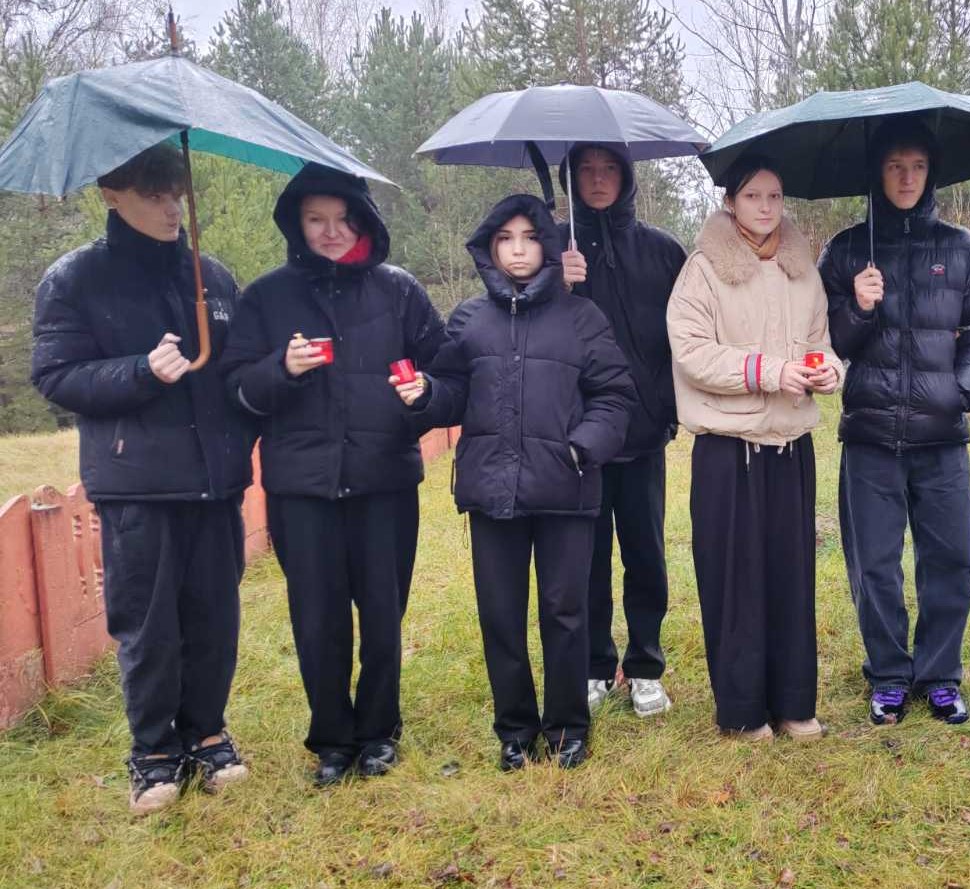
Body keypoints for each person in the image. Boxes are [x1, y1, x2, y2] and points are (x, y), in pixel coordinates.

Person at [31, 144, 256, 813]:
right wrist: (139, 370)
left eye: (176, 194)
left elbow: (238, 369)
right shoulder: (75, 279)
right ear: (111, 194)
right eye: (154, 196)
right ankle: (154, 752)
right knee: (149, 624)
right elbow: (56, 375)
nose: (170, 209)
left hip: (215, 480)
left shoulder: (211, 274)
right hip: (137, 484)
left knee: (214, 615)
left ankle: (208, 735)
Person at [220, 163, 447, 786]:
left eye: (343, 218)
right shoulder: (266, 297)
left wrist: (426, 394)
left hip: (384, 481)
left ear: (364, 220)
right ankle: (332, 741)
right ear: (296, 223)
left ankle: (378, 733)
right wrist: (281, 369)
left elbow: (448, 371)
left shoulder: (399, 291)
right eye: (315, 219)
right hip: (302, 488)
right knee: (317, 618)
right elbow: (235, 389)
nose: (330, 231)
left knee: (382, 613)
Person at [407, 194, 634, 770]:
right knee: (500, 614)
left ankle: (567, 728)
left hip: (565, 488)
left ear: (548, 245)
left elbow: (614, 396)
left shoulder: (582, 318)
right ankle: (515, 730)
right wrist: (428, 394)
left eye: (530, 237)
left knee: (565, 611)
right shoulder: (468, 319)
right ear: (489, 246)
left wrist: (581, 448)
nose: (517, 249)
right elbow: (452, 393)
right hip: (493, 491)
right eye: (505, 238)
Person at [817, 120, 970, 727]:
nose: (906, 178)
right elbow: (829, 342)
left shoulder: (961, 247)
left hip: (941, 437)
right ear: (878, 171)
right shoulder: (846, 251)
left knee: (951, 559)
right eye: (895, 165)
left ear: (931, 172)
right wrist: (859, 306)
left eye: (917, 166)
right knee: (873, 563)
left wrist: (962, 392)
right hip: (869, 435)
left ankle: (940, 675)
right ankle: (890, 674)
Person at [667, 155, 843, 741]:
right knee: (736, 581)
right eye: (752, 196)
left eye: (774, 195)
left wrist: (829, 370)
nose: (766, 207)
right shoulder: (702, 270)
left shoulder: (802, 269)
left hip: (790, 444)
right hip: (729, 448)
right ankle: (742, 710)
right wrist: (768, 370)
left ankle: (793, 703)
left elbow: (820, 340)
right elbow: (692, 352)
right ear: (730, 202)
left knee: (791, 577)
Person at [557, 144, 687, 719]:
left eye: (609, 168)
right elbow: (521, 322)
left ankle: (644, 666)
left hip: (643, 432)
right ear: (571, 178)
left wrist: (671, 408)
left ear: (627, 176)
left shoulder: (661, 250)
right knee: (586, 558)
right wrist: (554, 285)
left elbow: (688, 333)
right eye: (585, 170)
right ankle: (593, 664)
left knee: (645, 554)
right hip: (578, 435)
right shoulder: (553, 248)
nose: (598, 179)